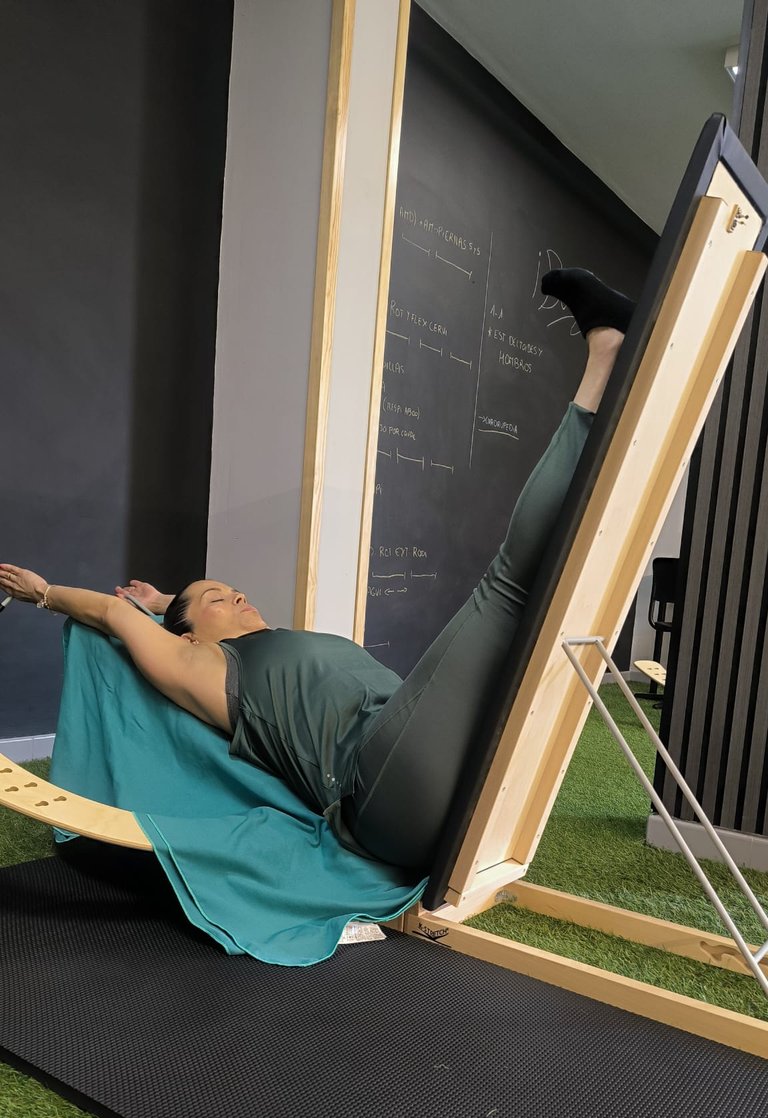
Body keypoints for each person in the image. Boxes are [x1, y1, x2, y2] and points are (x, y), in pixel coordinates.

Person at [1, 269, 634, 871]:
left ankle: (611, 371)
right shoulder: (201, 668)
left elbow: (187, 612)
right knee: (509, 591)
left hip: (414, 758)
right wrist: (45, 593)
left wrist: (170, 598)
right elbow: (116, 614)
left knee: (538, 629)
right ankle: (605, 355)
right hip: (380, 791)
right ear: (188, 638)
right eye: (219, 598)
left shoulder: (263, 643)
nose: (237, 595)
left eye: (233, 589)